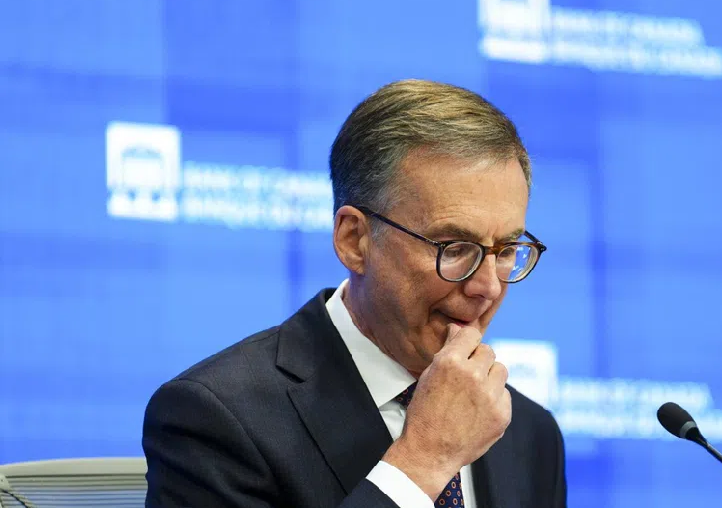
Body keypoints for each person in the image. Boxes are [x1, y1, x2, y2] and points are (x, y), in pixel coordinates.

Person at [142, 79, 567, 507]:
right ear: (354, 240)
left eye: (507, 250)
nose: (487, 286)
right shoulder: (216, 418)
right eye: (454, 249)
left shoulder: (529, 433)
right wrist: (423, 462)